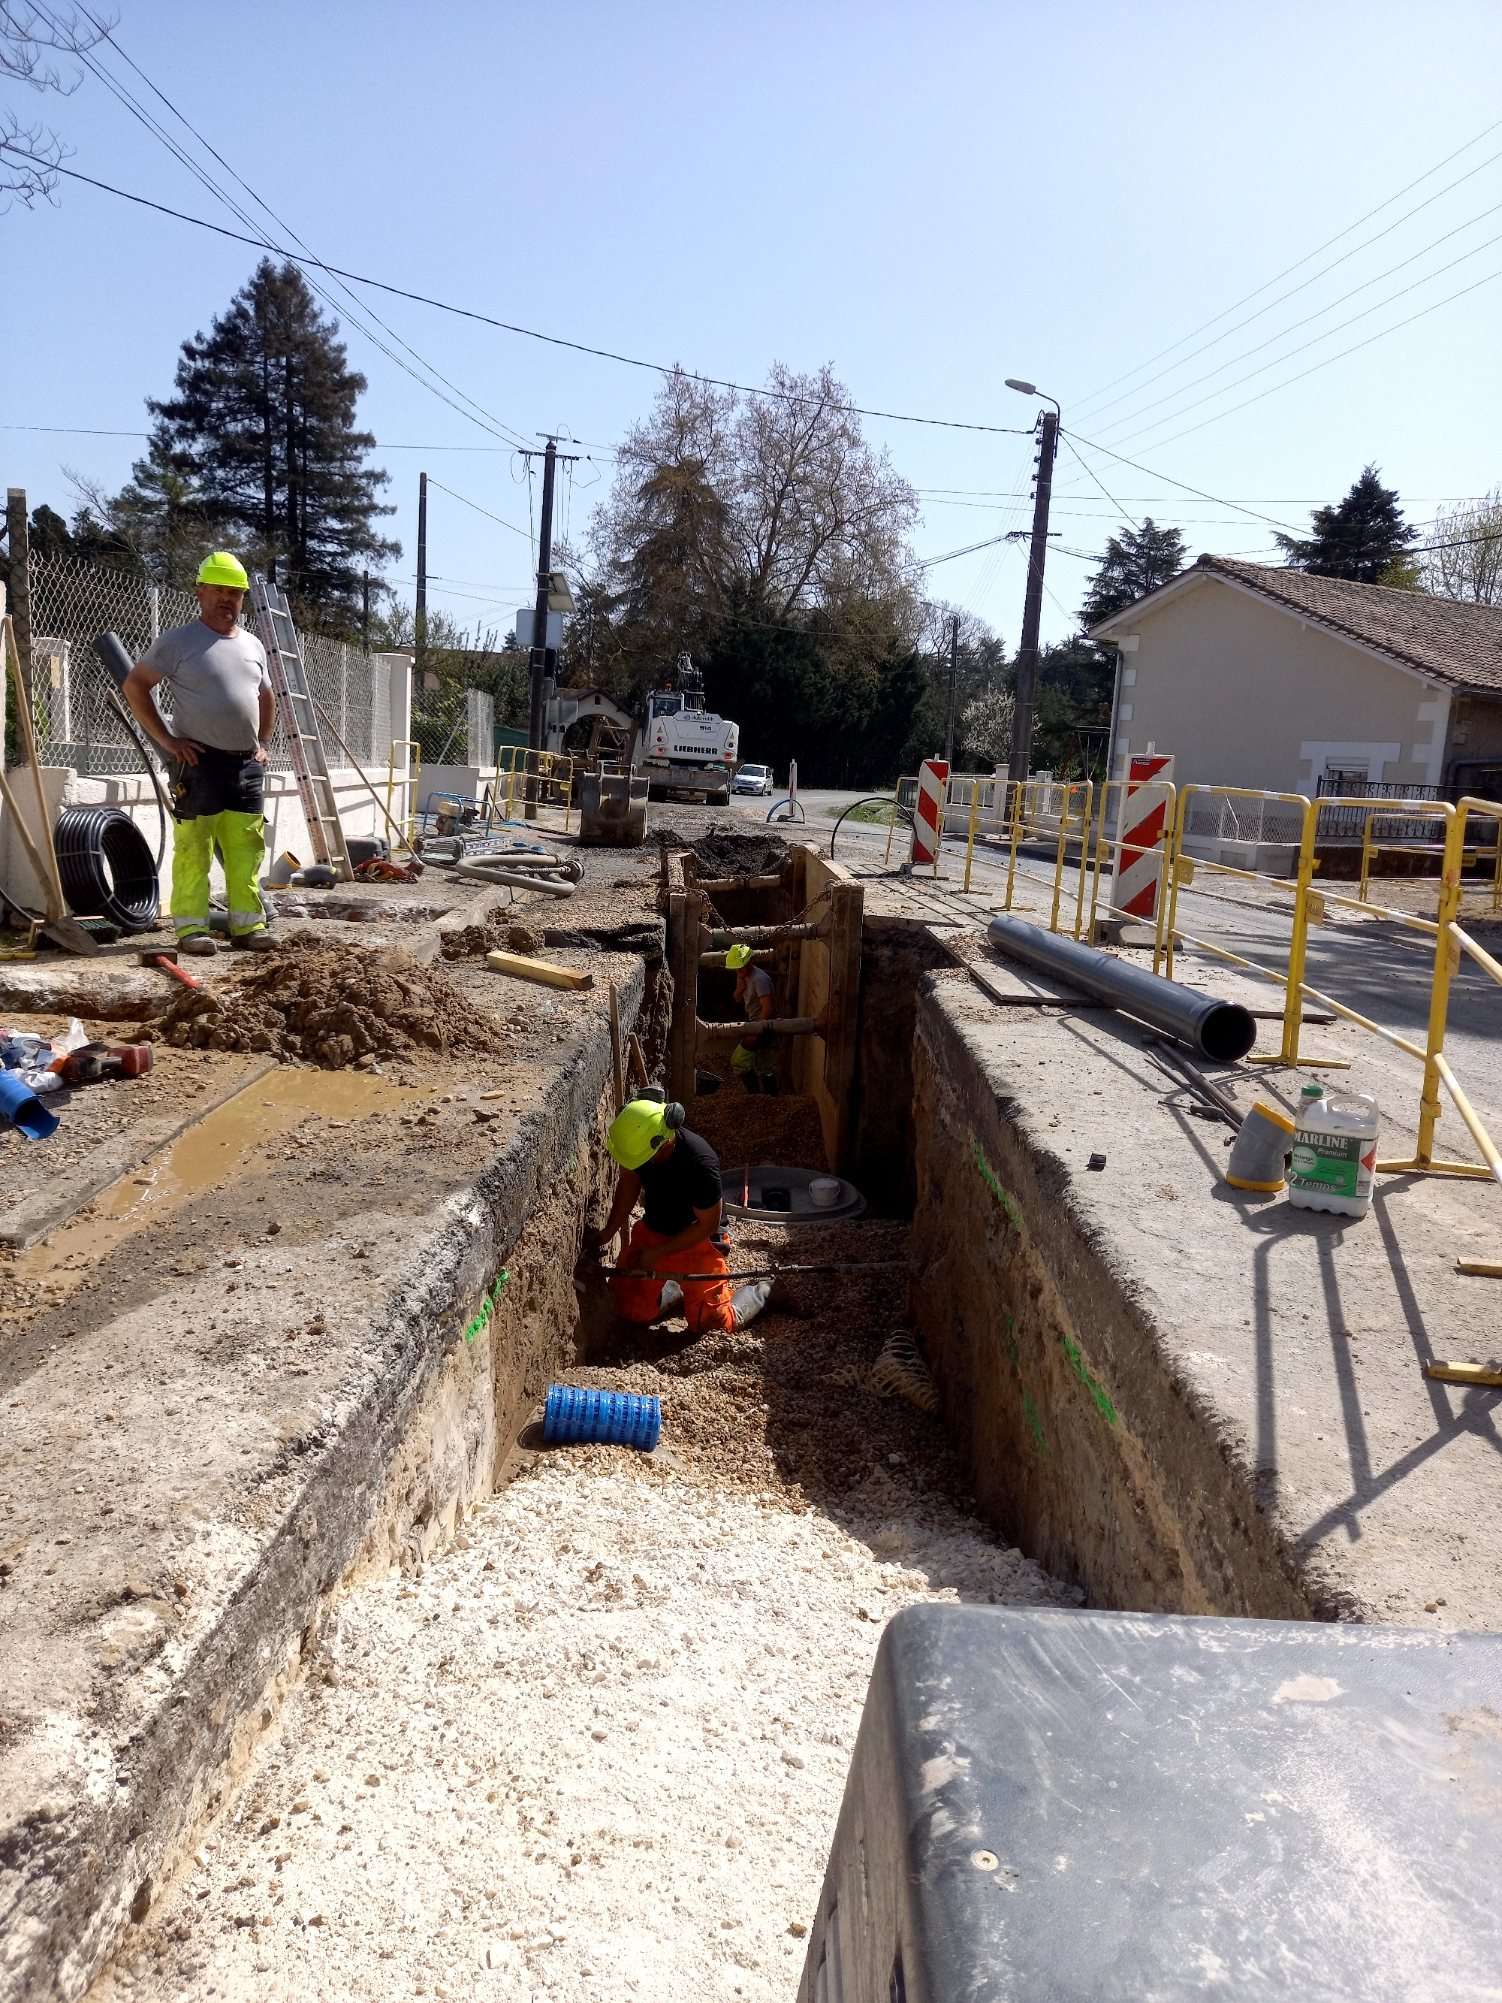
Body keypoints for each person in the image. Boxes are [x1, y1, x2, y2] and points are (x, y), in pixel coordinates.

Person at [122, 551, 276, 956]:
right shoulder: (178, 641)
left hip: (245, 765)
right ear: (200, 593)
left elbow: (267, 697)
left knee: (246, 850)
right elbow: (136, 686)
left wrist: (263, 745)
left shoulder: (253, 645)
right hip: (199, 763)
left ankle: (248, 927)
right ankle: (191, 930)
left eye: (235, 592)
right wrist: (169, 741)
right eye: (220, 590)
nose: (227, 598)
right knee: (194, 849)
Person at [584, 1091, 789, 1335]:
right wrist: (608, 1231)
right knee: (630, 1310)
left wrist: (658, 1253)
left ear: (663, 1140)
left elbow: (708, 1225)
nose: (642, 1163)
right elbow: (629, 1180)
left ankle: (765, 1291)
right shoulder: (639, 1146)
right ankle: (680, 1287)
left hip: (698, 1238)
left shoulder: (700, 1163)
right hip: (655, 1230)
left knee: (713, 1324)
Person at [726, 942, 778, 1095]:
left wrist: (756, 1031)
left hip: (763, 1025)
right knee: (765, 1066)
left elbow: (768, 1007)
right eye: (736, 968)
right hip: (756, 1024)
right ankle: (771, 1097)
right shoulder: (742, 975)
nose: (738, 971)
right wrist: (739, 989)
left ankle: (754, 1094)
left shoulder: (759, 979)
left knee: (739, 1062)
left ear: (750, 962)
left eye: (741, 967)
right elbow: (738, 999)